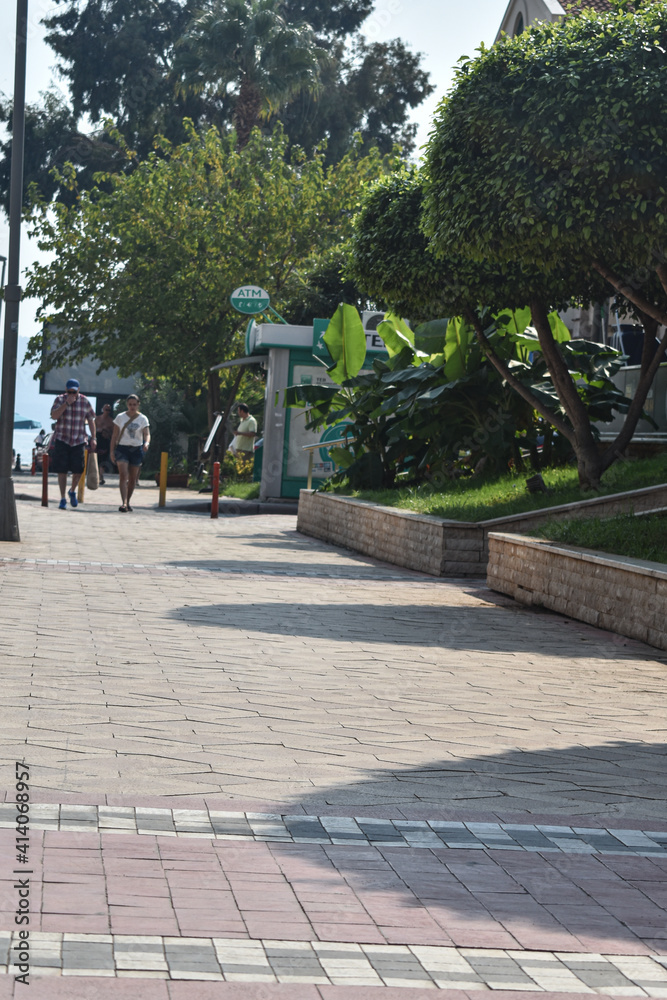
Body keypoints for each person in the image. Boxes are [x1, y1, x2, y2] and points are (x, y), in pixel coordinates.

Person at [50, 379, 97, 510]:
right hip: (62, 438)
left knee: (78, 469)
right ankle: (62, 498)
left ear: (78, 390)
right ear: (66, 390)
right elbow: (54, 416)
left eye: (74, 392)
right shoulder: (59, 400)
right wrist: (66, 404)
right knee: (62, 470)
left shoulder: (85, 401)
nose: (71, 394)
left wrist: (94, 438)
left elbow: (91, 420)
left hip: (79, 439)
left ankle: (72, 490)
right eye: (69, 391)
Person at [109, 394, 150, 512]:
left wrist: (146, 443)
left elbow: (147, 433)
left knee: (132, 478)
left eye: (134, 404)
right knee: (123, 475)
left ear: (138, 405)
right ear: (127, 405)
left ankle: (128, 500)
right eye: (130, 404)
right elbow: (114, 435)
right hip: (122, 448)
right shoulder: (120, 417)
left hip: (136, 449)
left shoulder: (143, 419)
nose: (132, 407)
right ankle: (124, 503)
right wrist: (112, 451)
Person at [95, 404, 115, 485]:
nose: (107, 411)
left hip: (105, 441)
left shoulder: (111, 421)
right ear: (102, 409)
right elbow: (92, 427)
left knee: (103, 459)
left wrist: (107, 433)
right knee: (96, 458)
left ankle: (101, 475)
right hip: (97, 439)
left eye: (108, 410)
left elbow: (114, 433)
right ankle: (96, 475)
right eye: (106, 409)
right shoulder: (97, 418)